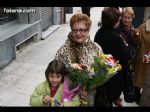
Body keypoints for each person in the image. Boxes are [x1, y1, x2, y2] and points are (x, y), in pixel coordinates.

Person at [55, 13, 103, 106]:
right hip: (68, 99)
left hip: (89, 98)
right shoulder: (63, 51)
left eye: (82, 30)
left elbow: (101, 74)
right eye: (75, 30)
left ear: (88, 30)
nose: (78, 33)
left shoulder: (96, 48)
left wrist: (88, 88)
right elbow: (55, 74)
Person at [94, 8, 133, 107]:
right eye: (118, 19)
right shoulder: (116, 37)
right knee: (108, 99)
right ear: (114, 22)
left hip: (101, 74)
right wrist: (128, 47)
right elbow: (126, 56)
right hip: (113, 76)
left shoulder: (99, 33)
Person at [118, 7, 141, 104]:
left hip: (129, 62)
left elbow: (136, 44)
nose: (127, 20)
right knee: (118, 82)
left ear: (132, 18)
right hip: (119, 61)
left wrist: (136, 36)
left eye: (129, 18)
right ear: (121, 17)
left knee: (127, 82)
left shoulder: (133, 30)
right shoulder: (118, 29)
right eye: (125, 17)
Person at [133, 18, 150, 106]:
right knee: (140, 79)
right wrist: (136, 35)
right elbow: (137, 42)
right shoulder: (143, 27)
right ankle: (137, 96)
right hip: (143, 58)